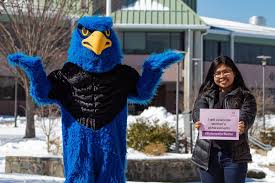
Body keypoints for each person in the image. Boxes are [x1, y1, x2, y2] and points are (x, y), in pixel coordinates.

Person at [191, 56, 257, 183]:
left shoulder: (245, 96)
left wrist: (243, 124)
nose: (222, 76)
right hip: (207, 156)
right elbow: (198, 110)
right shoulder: (205, 95)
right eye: (217, 73)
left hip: (234, 157)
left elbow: (247, 114)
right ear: (213, 76)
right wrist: (199, 120)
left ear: (234, 73)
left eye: (226, 71)